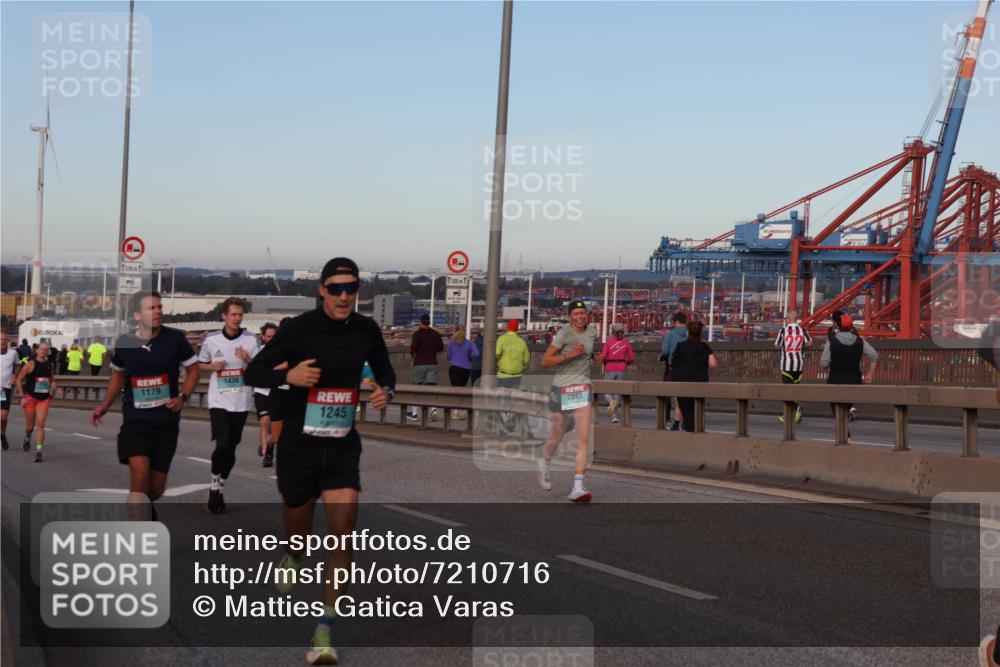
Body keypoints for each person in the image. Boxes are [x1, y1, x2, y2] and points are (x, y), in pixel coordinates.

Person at [245, 257, 395, 666]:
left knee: (344, 535)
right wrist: (286, 376)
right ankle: (294, 556)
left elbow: (386, 371)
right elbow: (253, 371)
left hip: (343, 447)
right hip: (298, 446)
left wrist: (387, 393)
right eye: (337, 288)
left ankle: (323, 629)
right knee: (300, 536)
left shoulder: (367, 329)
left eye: (352, 288)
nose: (345, 295)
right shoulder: (298, 329)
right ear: (322, 290)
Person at [91, 292, 200, 515]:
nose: (158, 311)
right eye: (152, 308)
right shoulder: (125, 343)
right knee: (139, 475)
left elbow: (193, 370)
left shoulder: (176, 340)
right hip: (135, 420)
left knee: (156, 488)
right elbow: (118, 376)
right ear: (137, 315)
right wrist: (104, 405)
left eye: (159, 307)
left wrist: (183, 397)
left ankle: (144, 510)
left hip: (166, 421)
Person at [198, 297, 260, 514]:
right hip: (219, 400)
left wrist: (248, 359)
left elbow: (261, 368)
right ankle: (214, 485)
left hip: (241, 401)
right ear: (224, 316)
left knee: (232, 447)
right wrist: (211, 366)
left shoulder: (251, 340)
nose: (236, 319)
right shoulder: (212, 339)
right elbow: (199, 364)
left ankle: (220, 487)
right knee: (222, 444)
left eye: (240, 315)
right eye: (233, 314)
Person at [537, 300, 603, 503]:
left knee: (584, 439)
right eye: (576, 313)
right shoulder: (563, 334)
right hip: (562, 388)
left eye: (583, 313)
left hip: (582, 387)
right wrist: (570, 356)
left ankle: (578, 486)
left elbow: (588, 353)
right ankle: (544, 462)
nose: (581, 316)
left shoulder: (592, 331)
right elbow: (545, 361)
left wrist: (596, 358)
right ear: (569, 316)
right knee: (557, 434)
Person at [819, 314, 877, 440]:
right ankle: (846, 436)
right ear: (851, 326)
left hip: (836, 380)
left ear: (838, 326)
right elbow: (874, 356)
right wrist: (869, 375)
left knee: (837, 412)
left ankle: (846, 438)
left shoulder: (832, 341)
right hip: (854, 381)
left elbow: (823, 363)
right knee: (845, 409)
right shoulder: (860, 341)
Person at [670, 321, 718, 432]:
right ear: (700, 333)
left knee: (687, 413)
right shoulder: (705, 347)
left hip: (684, 383)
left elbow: (674, 365)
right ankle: (698, 432)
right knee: (698, 411)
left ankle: (690, 434)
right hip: (701, 383)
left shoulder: (681, 347)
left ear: (688, 332)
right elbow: (713, 364)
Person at [15, 340, 57, 462]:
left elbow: (51, 379)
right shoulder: (29, 364)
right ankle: (27, 437)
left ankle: (39, 451)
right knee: (30, 427)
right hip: (31, 398)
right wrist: (22, 396)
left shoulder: (50, 365)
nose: (44, 351)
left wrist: (53, 386)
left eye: (46, 349)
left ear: (48, 351)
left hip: (43, 399)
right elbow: (18, 380)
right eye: (41, 349)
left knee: (41, 424)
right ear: (37, 350)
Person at [252, 323, 283, 468]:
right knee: (265, 420)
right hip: (261, 391)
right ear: (263, 338)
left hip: (277, 392)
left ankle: (267, 443)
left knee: (276, 428)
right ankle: (266, 454)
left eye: (274, 337)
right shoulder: (259, 352)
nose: (271, 339)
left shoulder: (283, 352)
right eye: (269, 336)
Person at [774, 310, 812, 424]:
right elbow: (809, 343)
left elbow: (777, 345)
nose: (785, 320)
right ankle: (790, 414)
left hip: (786, 364)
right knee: (794, 390)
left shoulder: (783, 331)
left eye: (786, 318)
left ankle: (795, 409)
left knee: (786, 391)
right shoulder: (803, 330)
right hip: (799, 364)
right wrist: (800, 347)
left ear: (790, 319)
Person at [496, 319, 532, 433]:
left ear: (507, 327)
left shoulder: (501, 339)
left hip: (503, 374)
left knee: (501, 398)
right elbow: (527, 359)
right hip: (517, 375)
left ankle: (504, 420)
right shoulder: (521, 342)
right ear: (517, 328)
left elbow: (497, 353)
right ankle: (510, 418)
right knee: (513, 397)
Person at [408, 312, 442, 421]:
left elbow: (413, 348)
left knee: (416, 389)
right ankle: (433, 409)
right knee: (431, 388)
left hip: (419, 364)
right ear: (429, 322)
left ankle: (414, 414)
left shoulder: (417, 334)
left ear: (421, 323)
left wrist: (413, 355)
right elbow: (440, 347)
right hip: (432, 363)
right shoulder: (436, 334)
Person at [659, 311, 688, 430]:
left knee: (675, 396)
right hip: (688, 367)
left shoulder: (670, 334)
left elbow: (665, 351)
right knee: (686, 395)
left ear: (676, 322)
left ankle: (675, 422)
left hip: (674, 367)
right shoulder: (689, 333)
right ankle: (685, 421)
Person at [601, 323, 635, 424]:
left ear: (613, 332)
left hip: (610, 367)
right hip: (622, 367)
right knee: (617, 392)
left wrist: (606, 363)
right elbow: (632, 358)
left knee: (607, 391)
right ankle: (615, 416)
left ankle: (612, 407)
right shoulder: (626, 343)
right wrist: (625, 364)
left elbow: (603, 356)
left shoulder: (608, 342)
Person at [446, 326, 479, 419]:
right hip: (466, 369)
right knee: (462, 389)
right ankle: (462, 412)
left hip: (454, 368)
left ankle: (455, 412)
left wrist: (453, 357)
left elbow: (448, 356)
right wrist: (469, 357)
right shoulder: (469, 343)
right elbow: (476, 353)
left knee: (456, 390)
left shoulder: (451, 343)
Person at [1, 333, 20, 450]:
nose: (2, 341)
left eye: (4, 339)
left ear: (7, 341)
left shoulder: (13, 353)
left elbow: (17, 365)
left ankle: (2, 435)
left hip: (5, 389)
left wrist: (14, 375)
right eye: (0, 339)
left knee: (3, 417)